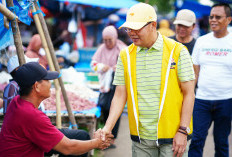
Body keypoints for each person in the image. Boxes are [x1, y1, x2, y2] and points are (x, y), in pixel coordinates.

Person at [101, 3, 195, 157]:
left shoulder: (177, 51)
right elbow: (119, 95)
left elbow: (189, 93)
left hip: (173, 137)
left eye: (136, 28)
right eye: (128, 29)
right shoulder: (125, 55)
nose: (131, 33)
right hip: (141, 139)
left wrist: (183, 131)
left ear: (153, 25)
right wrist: (107, 127)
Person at [0, 62, 113, 156]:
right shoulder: (32, 115)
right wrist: (97, 143)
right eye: (47, 80)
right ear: (36, 86)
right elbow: (69, 147)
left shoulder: (17, 101)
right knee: (74, 143)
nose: (51, 83)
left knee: (80, 136)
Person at [189, 3, 232, 157]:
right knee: (196, 140)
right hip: (202, 100)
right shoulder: (201, 41)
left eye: (218, 17)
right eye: (211, 16)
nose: (213, 20)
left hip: (226, 100)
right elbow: (195, 73)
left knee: (221, 142)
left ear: (228, 19)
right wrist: (189, 97)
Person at [91, 25, 127, 147]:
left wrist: (119, 68)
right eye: (105, 40)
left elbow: (130, 64)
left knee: (115, 110)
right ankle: (106, 135)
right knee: (106, 108)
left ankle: (112, 138)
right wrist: (101, 66)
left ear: (115, 37)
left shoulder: (122, 49)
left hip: (118, 84)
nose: (107, 43)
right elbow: (93, 64)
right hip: (105, 85)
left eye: (109, 40)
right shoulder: (101, 49)